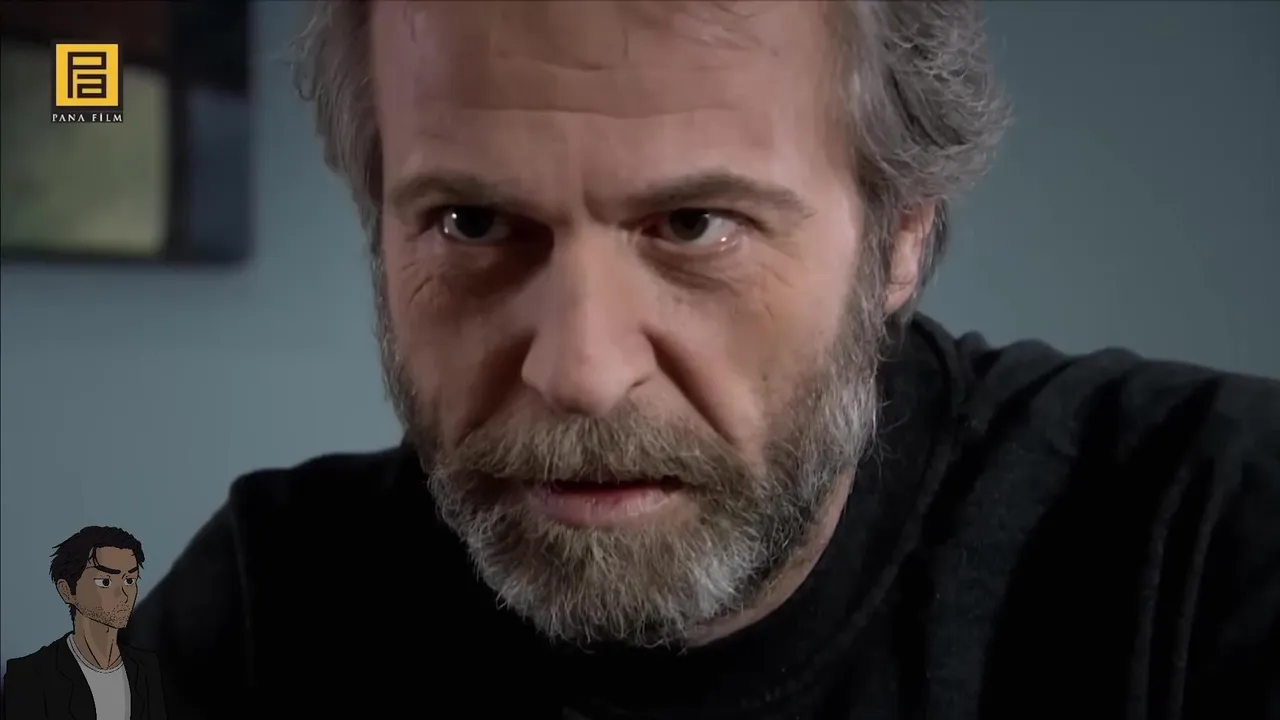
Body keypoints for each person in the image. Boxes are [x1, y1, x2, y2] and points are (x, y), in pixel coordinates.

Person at [120, 1, 1279, 718]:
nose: (580, 372)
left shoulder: (1208, 535)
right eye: (471, 224)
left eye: (692, 226)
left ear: (898, 239)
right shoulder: (281, 600)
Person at [3, 526, 168, 720]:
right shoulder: (30, 675)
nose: (123, 594)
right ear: (67, 591)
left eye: (129, 580)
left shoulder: (146, 669)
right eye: (105, 582)